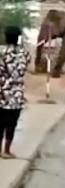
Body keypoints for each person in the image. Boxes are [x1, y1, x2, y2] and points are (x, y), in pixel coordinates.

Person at [0, 26, 31, 159]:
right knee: (12, 124)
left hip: (1, 93)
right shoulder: (24, 54)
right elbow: (25, 67)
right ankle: (6, 151)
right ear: (18, 38)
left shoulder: (1, 51)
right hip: (17, 94)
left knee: (0, 123)